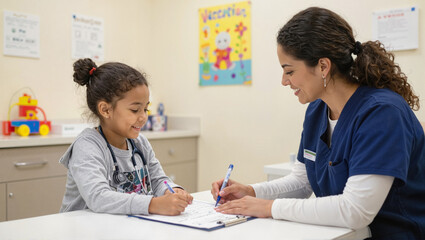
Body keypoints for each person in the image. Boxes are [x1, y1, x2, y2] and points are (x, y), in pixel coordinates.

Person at [212, 7, 425, 239]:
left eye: (289, 71)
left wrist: (268, 208)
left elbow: (355, 210)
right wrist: (252, 192)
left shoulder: (382, 113)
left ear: (323, 66)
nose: (284, 81)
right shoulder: (317, 110)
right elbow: (303, 182)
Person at [60, 58, 192, 216]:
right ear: (105, 110)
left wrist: (172, 190)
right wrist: (152, 204)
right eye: (135, 110)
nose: (143, 117)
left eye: (146, 109)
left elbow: (157, 179)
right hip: (83, 229)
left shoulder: (139, 142)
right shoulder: (87, 146)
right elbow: (98, 197)